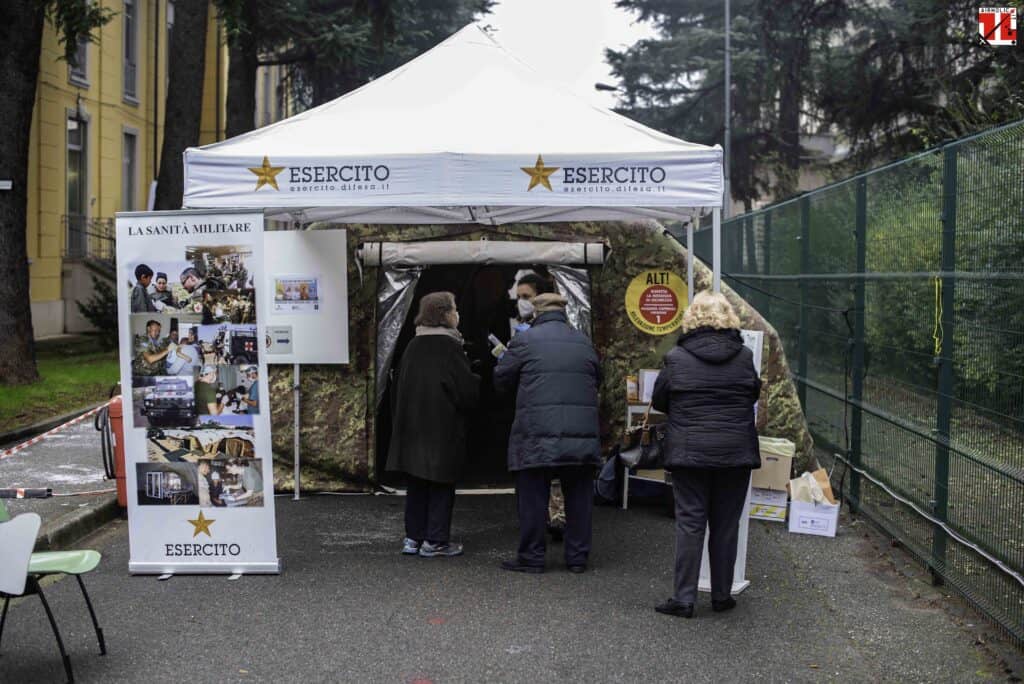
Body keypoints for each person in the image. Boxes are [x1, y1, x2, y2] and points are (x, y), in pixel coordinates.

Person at [650, 291, 761, 619]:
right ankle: (722, 596)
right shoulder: (744, 356)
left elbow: (660, 400)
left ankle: (684, 599)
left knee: (690, 523)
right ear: (729, 317)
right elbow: (753, 392)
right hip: (735, 453)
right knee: (726, 525)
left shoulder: (677, 358)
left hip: (689, 453)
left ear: (692, 318)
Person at [494, 292, 602, 574]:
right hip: (580, 433)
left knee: (533, 496)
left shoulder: (524, 340)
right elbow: (598, 378)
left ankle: (532, 557)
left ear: (535, 313)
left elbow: (501, 379)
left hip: (536, 431)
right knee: (579, 498)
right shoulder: (583, 341)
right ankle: (577, 558)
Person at [386, 291, 479, 558]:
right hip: (441, 428)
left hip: (411, 428)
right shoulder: (450, 347)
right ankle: (436, 541)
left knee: (416, 485)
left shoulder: (413, 346)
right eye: (455, 309)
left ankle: (413, 538)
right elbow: (465, 392)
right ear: (444, 314)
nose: (457, 314)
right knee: (441, 483)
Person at [509, 273, 567, 541]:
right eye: (519, 298)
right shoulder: (526, 329)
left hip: (544, 411)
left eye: (526, 297)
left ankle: (553, 521)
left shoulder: (534, 335)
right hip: (540, 409)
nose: (522, 303)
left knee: (545, 471)